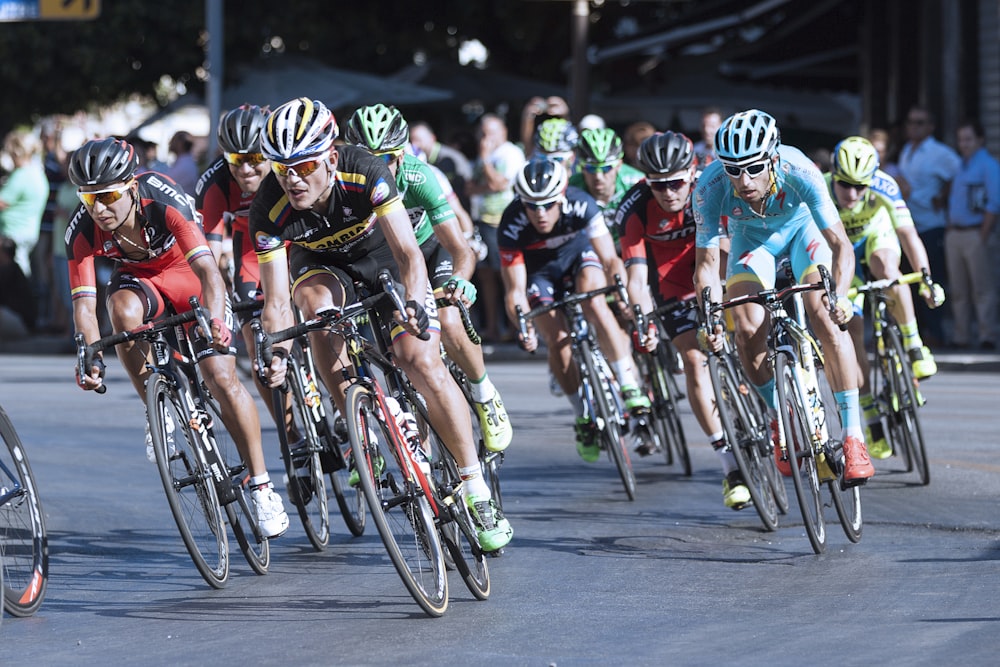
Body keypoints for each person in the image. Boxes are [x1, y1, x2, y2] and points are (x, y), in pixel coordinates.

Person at [251, 98, 511, 552]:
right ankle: (359, 426)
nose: (291, 178)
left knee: (419, 359)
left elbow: (412, 255)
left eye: (304, 165)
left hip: (383, 256)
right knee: (314, 311)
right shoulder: (269, 208)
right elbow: (276, 301)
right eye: (281, 168)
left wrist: (416, 303)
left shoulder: (366, 169)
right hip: (323, 267)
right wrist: (276, 351)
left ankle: (475, 488)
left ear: (331, 158)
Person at [66, 137, 289, 538]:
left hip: (187, 274)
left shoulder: (163, 198)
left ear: (131, 188)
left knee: (221, 377)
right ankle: (158, 412)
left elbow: (208, 272)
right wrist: (90, 357)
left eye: (109, 196)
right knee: (120, 310)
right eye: (89, 199)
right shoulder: (81, 230)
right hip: (141, 281)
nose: (99, 209)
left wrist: (217, 323)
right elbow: (85, 306)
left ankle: (261, 485)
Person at [693, 109, 875, 485]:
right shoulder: (709, 188)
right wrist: (709, 319)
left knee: (824, 314)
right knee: (744, 325)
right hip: (752, 242)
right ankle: (781, 416)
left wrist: (839, 297)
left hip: (802, 235)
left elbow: (841, 245)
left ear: (773, 157)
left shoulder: (801, 169)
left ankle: (854, 438)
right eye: (733, 169)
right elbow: (707, 267)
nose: (743, 181)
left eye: (754, 167)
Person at [343, 103, 513, 454]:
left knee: (449, 318)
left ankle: (484, 395)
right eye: (368, 158)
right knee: (402, 356)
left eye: (387, 158)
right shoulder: (348, 187)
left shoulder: (420, 177)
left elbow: (461, 248)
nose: (378, 169)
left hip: (432, 250)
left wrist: (462, 281)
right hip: (390, 264)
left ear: (402, 155)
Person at [617, 131, 748, 509]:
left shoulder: (712, 186)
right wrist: (642, 319)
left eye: (676, 182)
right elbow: (637, 279)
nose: (669, 192)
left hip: (716, 265)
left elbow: (731, 246)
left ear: (692, 173)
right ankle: (729, 467)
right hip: (671, 286)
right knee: (693, 360)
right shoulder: (635, 208)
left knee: (745, 311)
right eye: (658, 185)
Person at [499, 156, 650, 462]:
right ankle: (582, 415)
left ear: (562, 197)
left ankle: (628, 382)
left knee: (594, 299)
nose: (540, 214)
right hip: (539, 273)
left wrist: (621, 292)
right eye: (532, 205)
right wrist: (522, 326)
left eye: (548, 205)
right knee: (558, 342)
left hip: (579, 258)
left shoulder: (582, 204)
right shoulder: (511, 224)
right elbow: (514, 289)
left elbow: (610, 260)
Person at [829, 136, 944, 458]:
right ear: (832, 174)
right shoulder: (820, 189)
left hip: (875, 239)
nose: (852, 194)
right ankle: (871, 417)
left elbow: (908, 234)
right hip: (841, 255)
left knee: (888, 267)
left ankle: (913, 345)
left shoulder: (885, 184)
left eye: (860, 187)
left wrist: (926, 278)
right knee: (851, 333)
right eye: (845, 185)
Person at [898, 106, 961, 347]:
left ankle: (937, 332)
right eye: (911, 122)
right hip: (909, 224)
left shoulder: (939, 153)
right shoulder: (907, 150)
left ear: (930, 126)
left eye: (919, 122)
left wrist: (944, 197)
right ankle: (921, 332)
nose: (913, 126)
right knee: (911, 281)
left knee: (931, 279)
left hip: (931, 225)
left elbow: (959, 174)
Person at [467, 113, 526, 342]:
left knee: (507, 276)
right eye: (482, 133)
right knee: (486, 277)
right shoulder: (484, 157)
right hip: (482, 221)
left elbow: (497, 183)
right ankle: (492, 328)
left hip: (503, 220)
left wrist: (485, 158)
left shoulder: (510, 153)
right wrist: (487, 184)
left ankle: (515, 327)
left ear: (503, 132)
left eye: (490, 133)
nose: (485, 138)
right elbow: (471, 188)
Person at [946, 120, 999, 350]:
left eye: (968, 139)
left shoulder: (988, 165)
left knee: (982, 288)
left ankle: (987, 334)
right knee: (958, 290)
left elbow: (993, 203)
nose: (963, 144)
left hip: (976, 232)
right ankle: (962, 335)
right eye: (961, 139)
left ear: (980, 140)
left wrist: (983, 235)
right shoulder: (960, 165)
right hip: (955, 233)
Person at [0, 128, 49, 279]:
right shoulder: (38, 173)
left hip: (13, 234)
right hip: (29, 231)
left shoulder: (20, 175)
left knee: (15, 274)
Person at [569, 127, 644, 221]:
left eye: (606, 168)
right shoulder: (570, 188)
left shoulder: (637, 184)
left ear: (619, 165)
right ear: (581, 167)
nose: (598, 176)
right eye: (591, 168)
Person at [408, 120, 473, 210]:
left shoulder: (451, 158)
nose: (414, 144)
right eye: (411, 140)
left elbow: (468, 188)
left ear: (432, 138)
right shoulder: (416, 159)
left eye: (418, 140)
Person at [166, 130, 200, 195]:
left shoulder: (184, 165)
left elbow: (164, 181)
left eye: (174, 140)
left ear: (180, 144)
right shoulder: (186, 162)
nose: (170, 143)